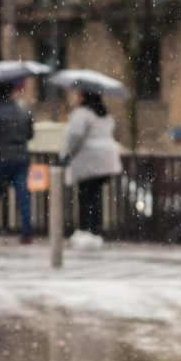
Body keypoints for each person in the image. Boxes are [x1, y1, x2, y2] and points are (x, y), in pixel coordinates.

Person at [0, 79, 35, 244]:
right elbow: (30, 134)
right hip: (21, 158)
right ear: (12, 92)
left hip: (1, 158)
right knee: (23, 196)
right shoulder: (23, 111)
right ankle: (27, 232)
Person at [63, 91, 122, 246]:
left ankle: (85, 230)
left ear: (83, 97)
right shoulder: (104, 114)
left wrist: (67, 152)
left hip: (88, 160)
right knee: (95, 196)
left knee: (85, 195)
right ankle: (95, 230)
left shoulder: (82, 113)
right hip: (106, 159)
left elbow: (75, 134)